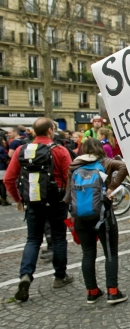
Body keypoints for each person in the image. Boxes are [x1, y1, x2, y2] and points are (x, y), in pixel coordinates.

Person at [4, 117, 73, 302]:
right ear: (51, 131)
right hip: (56, 201)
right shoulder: (60, 150)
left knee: (33, 239)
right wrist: (67, 200)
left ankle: (25, 275)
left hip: (33, 201)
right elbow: (70, 177)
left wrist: (18, 199)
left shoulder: (21, 150)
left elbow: (9, 179)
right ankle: (60, 276)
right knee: (59, 237)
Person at [64, 139, 129, 304]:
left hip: (80, 217)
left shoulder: (74, 166)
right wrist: (112, 187)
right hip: (103, 215)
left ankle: (92, 291)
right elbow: (123, 166)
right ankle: (113, 291)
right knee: (110, 253)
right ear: (100, 149)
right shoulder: (104, 162)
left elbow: (67, 194)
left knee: (87, 253)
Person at [0, 138, 10, 206]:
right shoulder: (1, 148)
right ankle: (4, 200)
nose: (4, 141)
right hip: (1, 168)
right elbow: (4, 157)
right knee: (2, 185)